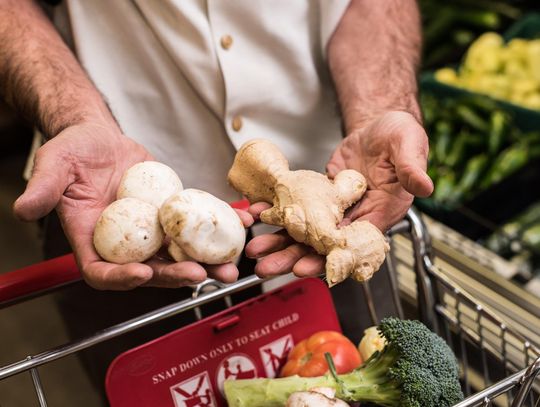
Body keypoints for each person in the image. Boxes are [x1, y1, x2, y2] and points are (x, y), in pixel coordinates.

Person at [0, 0, 433, 399]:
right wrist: (75, 117)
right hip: (117, 204)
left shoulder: (337, 220)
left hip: (339, 203)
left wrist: (378, 110)